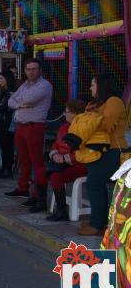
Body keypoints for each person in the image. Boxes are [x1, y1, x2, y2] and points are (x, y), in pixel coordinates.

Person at [78, 73, 127, 236]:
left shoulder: (115, 102)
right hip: (97, 150)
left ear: (101, 85)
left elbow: (106, 125)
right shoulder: (96, 104)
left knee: (94, 183)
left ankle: (98, 224)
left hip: (113, 151)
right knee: (96, 185)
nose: (90, 87)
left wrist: (89, 116)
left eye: (93, 84)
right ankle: (100, 222)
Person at [6, 58, 53, 213]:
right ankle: (23, 187)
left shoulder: (44, 85)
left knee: (37, 162)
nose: (31, 72)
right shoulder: (25, 85)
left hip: (34, 127)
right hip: (21, 126)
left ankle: (39, 197)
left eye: (34, 69)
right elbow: (10, 102)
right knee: (24, 160)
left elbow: (29, 99)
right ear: (24, 71)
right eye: (28, 69)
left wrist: (19, 101)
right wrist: (20, 104)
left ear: (39, 71)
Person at [45, 100, 87, 221]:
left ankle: (62, 211)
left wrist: (64, 158)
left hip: (79, 166)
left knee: (55, 177)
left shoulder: (83, 129)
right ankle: (46, 204)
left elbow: (82, 154)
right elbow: (54, 145)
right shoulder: (63, 127)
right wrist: (54, 156)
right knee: (47, 173)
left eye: (67, 112)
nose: (65, 114)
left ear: (76, 114)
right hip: (62, 164)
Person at [0, 71, 16, 179]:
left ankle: (8, 169)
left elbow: (8, 107)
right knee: (4, 146)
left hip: (8, 122)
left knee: (8, 146)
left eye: (2, 78)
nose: (0, 80)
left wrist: (0, 108)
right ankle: (4, 167)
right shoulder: (4, 91)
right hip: (1, 122)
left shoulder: (12, 92)